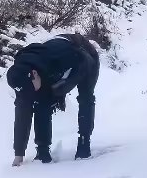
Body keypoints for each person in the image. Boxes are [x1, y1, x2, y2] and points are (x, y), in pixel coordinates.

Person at [7, 33, 100, 166]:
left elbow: (84, 65)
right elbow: (23, 111)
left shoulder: (63, 59)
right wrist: (19, 154)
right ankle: (42, 151)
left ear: (34, 74)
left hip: (83, 54)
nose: (30, 94)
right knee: (41, 99)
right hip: (49, 61)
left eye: (31, 90)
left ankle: (84, 142)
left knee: (85, 96)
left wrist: (58, 93)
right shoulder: (21, 75)